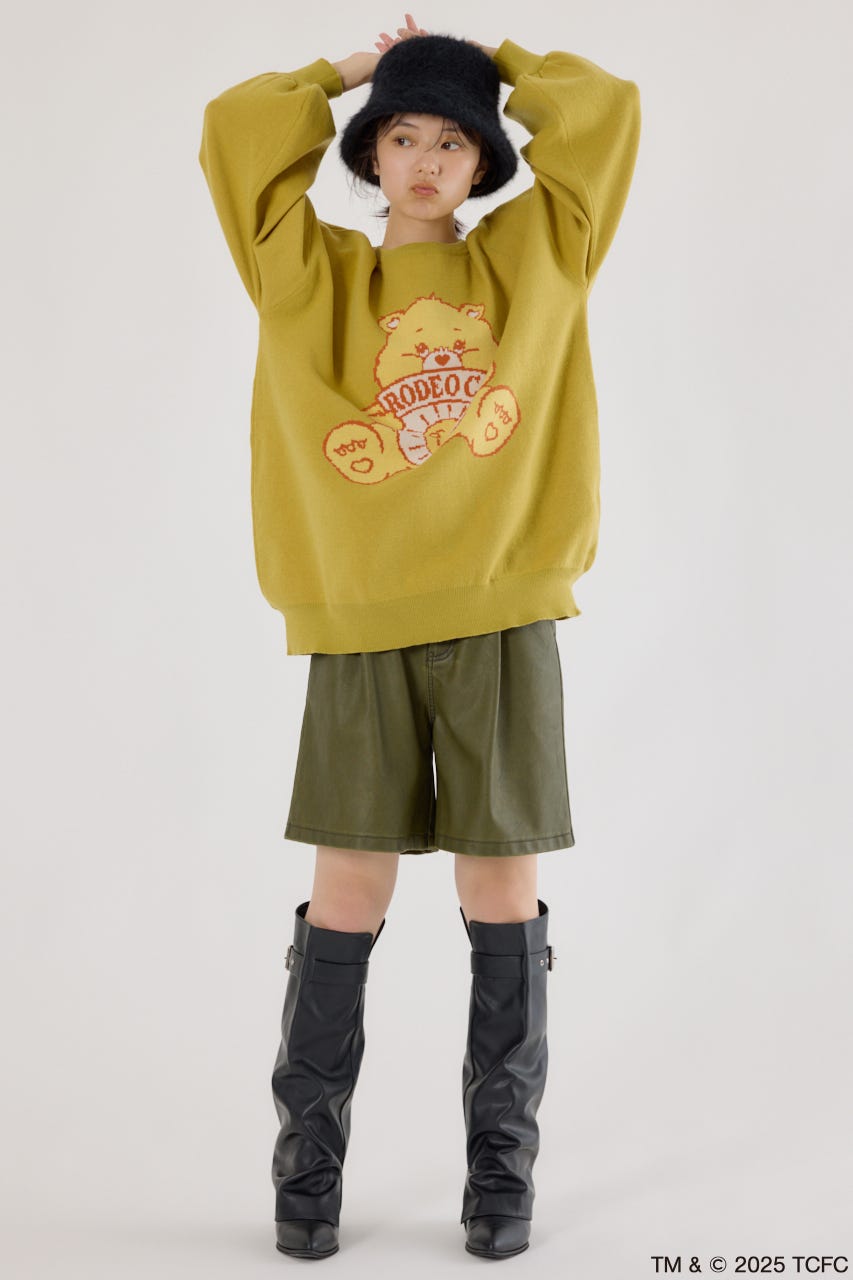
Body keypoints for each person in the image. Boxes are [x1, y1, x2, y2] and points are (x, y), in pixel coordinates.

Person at [198, 12, 640, 1261]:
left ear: (486, 157)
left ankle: (501, 1176)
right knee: (348, 888)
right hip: (359, 623)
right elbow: (235, 129)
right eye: (401, 135)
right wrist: (345, 71)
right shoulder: (309, 276)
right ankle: (305, 1177)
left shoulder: (537, 259)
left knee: (500, 889)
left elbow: (603, 111)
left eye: (452, 139)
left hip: (502, 613)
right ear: (369, 153)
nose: (428, 159)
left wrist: (492, 63)